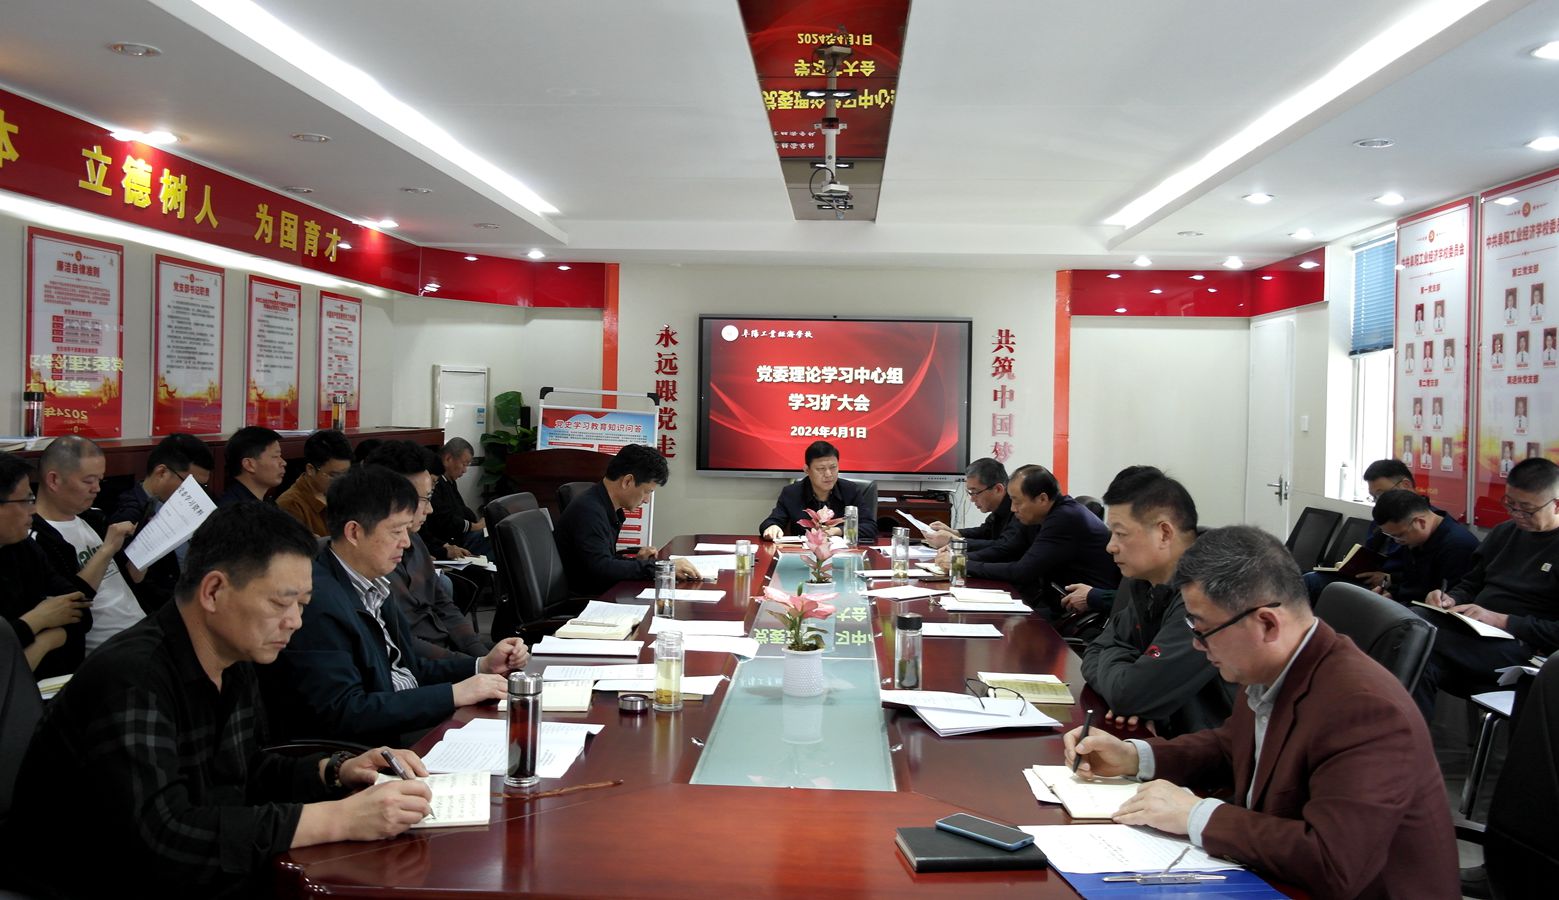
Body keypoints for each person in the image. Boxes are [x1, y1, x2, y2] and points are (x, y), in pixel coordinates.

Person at [0, 504, 439, 899]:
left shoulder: (234, 656)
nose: (295, 622)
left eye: (303, 605)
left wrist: (335, 770)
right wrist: (337, 820)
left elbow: (240, 772)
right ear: (213, 591)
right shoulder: (132, 677)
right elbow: (163, 839)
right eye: (281, 603)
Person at [1064, 526, 1457, 898]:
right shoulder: (1277, 665)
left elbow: (1332, 861)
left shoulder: (1366, 709)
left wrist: (1197, 815)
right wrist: (1134, 756)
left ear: (1267, 623)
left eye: (1202, 629)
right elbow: (1231, 746)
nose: (1197, 645)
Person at [261, 466, 529, 746]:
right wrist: (454, 695)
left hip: (405, 719)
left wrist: (481, 665)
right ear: (354, 532)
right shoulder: (317, 602)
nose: (406, 542)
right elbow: (345, 710)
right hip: (374, 745)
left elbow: (405, 668)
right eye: (396, 531)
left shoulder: (373, 580)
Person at [1081, 467, 1231, 737]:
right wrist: (1130, 681)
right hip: (1166, 737)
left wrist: (1131, 688)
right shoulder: (1146, 582)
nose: (1110, 546)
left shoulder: (1208, 593)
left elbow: (1129, 695)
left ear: (1164, 533)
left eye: (1121, 534)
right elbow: (1095, 650)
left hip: (1211, 750)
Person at [1413, 457, 1559, 718]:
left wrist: (1502, 620)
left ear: (1556, 504)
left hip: (1524, 650)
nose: (1516, 515)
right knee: (1412, 633)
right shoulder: (1504, 532)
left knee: (1415, 639)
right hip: (1474, 633)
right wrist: (1450, 598)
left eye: (1527, 510)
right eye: (1510, 505)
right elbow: (1471, 583)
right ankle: (1406, 740)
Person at [366, 440, 493, 659]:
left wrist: (480, 654)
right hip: (421, 665)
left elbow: (444, 604)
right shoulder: (369, 562)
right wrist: (475, 665)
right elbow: (402, 644)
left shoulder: (415, 541)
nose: (430, 509)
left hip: (448, 653)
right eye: (425, 499)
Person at [950, 464, 1119, 615]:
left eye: (1017, 502)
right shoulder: (1037, 515)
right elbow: (1007, 549)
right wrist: (957, 558)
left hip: (1082, 611)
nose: (1012, 508)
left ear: (1042, 499)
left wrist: (962, 564)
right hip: (1052, 599)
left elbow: (1022, 571)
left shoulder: (1065, 518)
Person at [30, 435, 142, 652]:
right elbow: (70, 603)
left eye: (100, 480)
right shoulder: (36, 537)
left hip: (141, 629)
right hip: (109, 649)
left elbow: (133, 578)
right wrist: (107, 550)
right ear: (54, 480)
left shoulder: (94, 518)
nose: (97, 488)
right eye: (88, 481)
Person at [556, 443, 700, 596]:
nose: (647, 500)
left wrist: (640, 562)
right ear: (627, 481)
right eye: (647, 491)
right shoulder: (589, 511)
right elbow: (601, 568)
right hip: (588, 599)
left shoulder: (602, 503)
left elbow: (605, 560)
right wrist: (662, 567)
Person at [0, 452, 91, 677]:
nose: (33, 509)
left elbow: (80, 610)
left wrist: (44, 641)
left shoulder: (24, 546)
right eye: (25, 501)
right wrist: (37, 620)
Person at [110, 432, 215, 613]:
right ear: (162, 472)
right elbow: (135, 585)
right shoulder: (129, 515)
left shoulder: (190, 506)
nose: (197, 494)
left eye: (202, 487)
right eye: (192, 485)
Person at [1302, 459, 1415, 602]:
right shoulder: (1381, 518)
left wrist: (1391, 579)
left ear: (1406, 485)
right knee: (1309, 580)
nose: (1379, 502)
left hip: (1397, 589)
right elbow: (1370, 553)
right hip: (1369, 580)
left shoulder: (1422, 523)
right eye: (1374, 498)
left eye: (1381, 495)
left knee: (1314, 584)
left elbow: (1423, 575)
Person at [1369, 489, 1478, 607]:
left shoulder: (1458, 546)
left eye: (1399, 535)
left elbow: (1446, 602)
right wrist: (1392, 594)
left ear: (1421, 522)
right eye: (1391, 536)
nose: (1396, 541)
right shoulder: (1415, 537)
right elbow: (1410, 582)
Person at [759, 440, 879, 542]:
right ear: (807, 470)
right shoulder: (792, 493)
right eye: (821, 469)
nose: (828, 474)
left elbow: (870, 527)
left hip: (843, 555)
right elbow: (771, 521)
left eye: (833, 467)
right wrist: (772, 527)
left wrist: (837, 531)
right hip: (804, 554)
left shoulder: (850, 490)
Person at [925, 458, 1017, 552]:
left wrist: (955, 541)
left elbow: (1005, 547)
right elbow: (985, 532)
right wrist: (955, 532)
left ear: (998, 489)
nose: (972, 499)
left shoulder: (1018, 510)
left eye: (975, 492)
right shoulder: (1000, 507)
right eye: (970, 492)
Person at [420, 437, 490, 559]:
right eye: (464, 464)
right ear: (448, 459)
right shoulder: (435, 484)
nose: (465, 470)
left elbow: (462, 510)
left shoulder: (450, 481)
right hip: (453, 540)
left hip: (455, 539)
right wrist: (476, 527)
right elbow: (444, 520)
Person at [277, 428, 354, 536]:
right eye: (334, 475)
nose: (341, 481)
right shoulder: (291, 505)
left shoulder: (348, 494)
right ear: (311, 469)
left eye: (346, 473)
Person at [218, 425, 286, 506]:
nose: (284, 463)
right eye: (275, 456)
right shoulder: (232, 509)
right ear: (249, 464)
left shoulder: (266, 502)